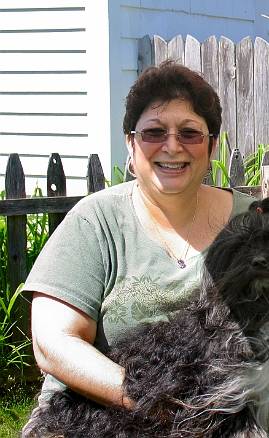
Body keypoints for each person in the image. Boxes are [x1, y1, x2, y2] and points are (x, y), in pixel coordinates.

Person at [22, 61, 256, 431]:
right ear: (131, 146)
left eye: (190, 133)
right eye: (154, 132)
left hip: (224, 416)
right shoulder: (95, 222)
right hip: (92, 415)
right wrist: (156, 403)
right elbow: (54, 342)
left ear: (211, 147)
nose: (172, 146)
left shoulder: (254, 223)